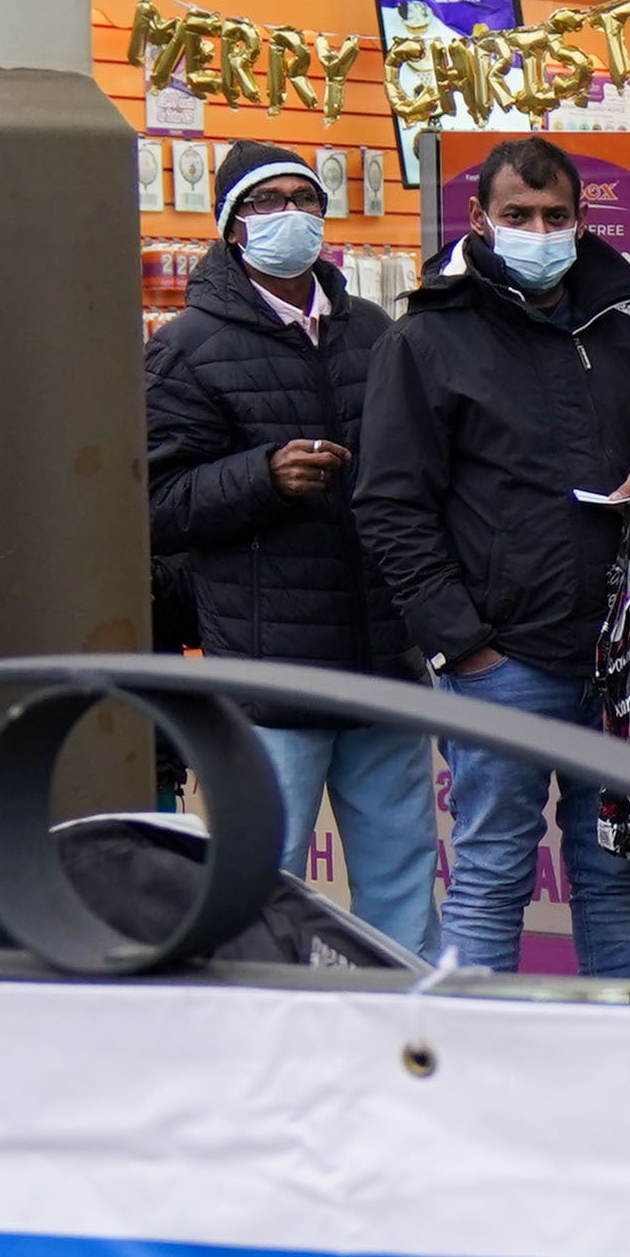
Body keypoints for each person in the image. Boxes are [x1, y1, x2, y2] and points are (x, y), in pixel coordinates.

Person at [352, 138, 630, 979]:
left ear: (581, 221)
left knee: (615, 877)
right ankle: (473, 1074)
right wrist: (462, 642)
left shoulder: (619, 325)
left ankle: (622, 1065)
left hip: (618, 654)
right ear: (480, 219)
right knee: (491, 873)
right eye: (518, 216)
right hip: (504, 665)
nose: (539, 230)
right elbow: (390, 504)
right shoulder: (428, 339)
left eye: (556, 216)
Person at [146, 145, 434, 955]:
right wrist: (261, 476)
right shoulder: (185, 347)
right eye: (268, 201)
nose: (292, 214)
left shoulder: (374, 333)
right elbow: (155, 506)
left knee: (405, 876)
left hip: (381, 660)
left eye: (304, 197)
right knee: (258, 883)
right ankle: (253, 1047)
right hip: (271, 672)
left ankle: (404, 1043)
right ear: (234, 228)